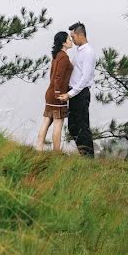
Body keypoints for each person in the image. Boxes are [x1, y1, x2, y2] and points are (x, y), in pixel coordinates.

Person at [57, 21, 95, 156]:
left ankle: (88, 158)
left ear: (80, 35)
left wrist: (70, 94)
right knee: (73, 126)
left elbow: (85, 78)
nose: (72, 39)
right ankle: (83, 154)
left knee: (82, 127)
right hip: (74, 93)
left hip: (80, 94)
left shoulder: (88, 52)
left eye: (73, 37)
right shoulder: (79, 52)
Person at [37, 31, 73, 152]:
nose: (71, 40)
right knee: (58, 124)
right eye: (69, 39)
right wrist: (59, 93)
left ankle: (39, 148)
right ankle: (56, 153)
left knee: (47, 120)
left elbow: (52, 75)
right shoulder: (63, 57)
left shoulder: (57, 55)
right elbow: (58, 76)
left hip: (50, 93)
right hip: (57, 95)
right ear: (63, 42)